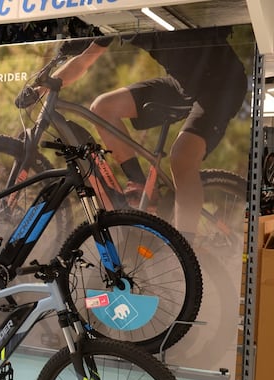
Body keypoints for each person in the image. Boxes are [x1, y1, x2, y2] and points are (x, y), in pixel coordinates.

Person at [31, 27, 247, 241]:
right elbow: (84, 60)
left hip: (221, 84)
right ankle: (141, 185)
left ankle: (185, 246)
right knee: (103, 108)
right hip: (183, 85)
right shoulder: (115, 18)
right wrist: (39, 89)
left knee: (182, 158)